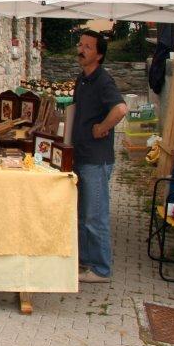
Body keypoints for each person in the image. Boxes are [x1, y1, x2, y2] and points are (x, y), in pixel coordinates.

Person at [72, 30, 128, 284]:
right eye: (81, 44)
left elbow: (120, 108)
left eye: (88, 47)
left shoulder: (103, 80)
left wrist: (102, 127)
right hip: (82, 155)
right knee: (84, 215)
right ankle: (86, 262)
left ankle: (101, 268)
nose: (81, 49)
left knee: (95, 216)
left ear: (100, 54)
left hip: (97, 159)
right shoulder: (82, 79)